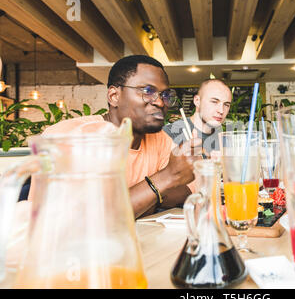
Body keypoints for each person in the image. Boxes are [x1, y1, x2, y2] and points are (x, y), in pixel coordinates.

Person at [31, 55, 201, 218]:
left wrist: (145, 197)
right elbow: (82, 222)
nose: (160, 102)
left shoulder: (160, 139)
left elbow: (187, 191)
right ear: (114, 96)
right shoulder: (69, 137)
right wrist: (166, 177)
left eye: (165, 95)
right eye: (147, 91)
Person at [163, 79, 232, 155]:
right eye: (214, 102)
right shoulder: (169, 133)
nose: (221, 110)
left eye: (226, 105)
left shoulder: (225, 140)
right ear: (197, 101)